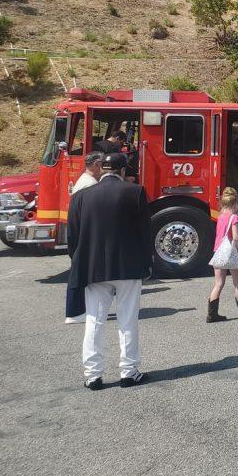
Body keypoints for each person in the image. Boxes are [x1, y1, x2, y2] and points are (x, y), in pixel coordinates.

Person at [66, 153, 153, 390]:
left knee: (94, 320)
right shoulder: (135, 192)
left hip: (93, 267)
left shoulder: (81, 196)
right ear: (123, 171)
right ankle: (129, 371)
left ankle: (93, 375)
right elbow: (145, 232)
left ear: (101, 170)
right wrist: (147, 263)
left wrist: (79, 261)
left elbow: (72, 237)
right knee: (127, 319)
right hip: (129, 265)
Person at [64, 151, 111, 325]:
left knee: (80, 273)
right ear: (96, 165)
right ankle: (75, 312)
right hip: (85, 235)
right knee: (79, 275)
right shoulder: (88, 184)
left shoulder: (85, 181)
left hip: (83, 234)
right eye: (101, 164)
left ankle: (77, 311)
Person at [206, 187, 238, 322]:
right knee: (237, 283)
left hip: (218, 252)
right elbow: (235, 237)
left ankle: (212, 314)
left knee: (218, 283)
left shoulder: (220, 216)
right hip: (231, 253)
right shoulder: (234, 217)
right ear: (236, 203)